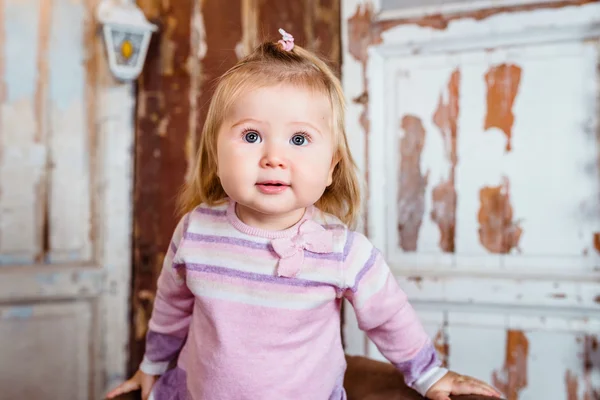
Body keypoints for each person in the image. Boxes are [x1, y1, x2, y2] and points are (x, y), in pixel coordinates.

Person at [107, 29, 502, 400]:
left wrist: (429, 374)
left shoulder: (342, 251)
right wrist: (153, 366)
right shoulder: (196, 231)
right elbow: (172, 306)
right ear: (215, 153)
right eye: (251, 136)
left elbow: (388, 317)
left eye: (299, 139)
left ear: (331, 167)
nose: (274, 158)